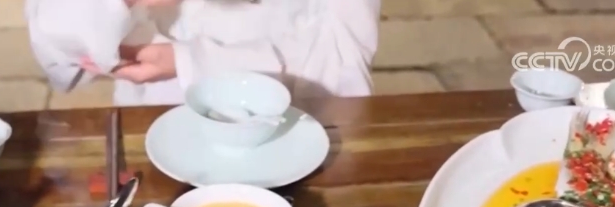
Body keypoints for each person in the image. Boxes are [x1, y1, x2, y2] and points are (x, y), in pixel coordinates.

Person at [25, 0, 381, 106]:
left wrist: (190, 61)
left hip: (286, 130)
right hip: (153, 124)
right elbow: (58, 59)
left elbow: (344, 68)